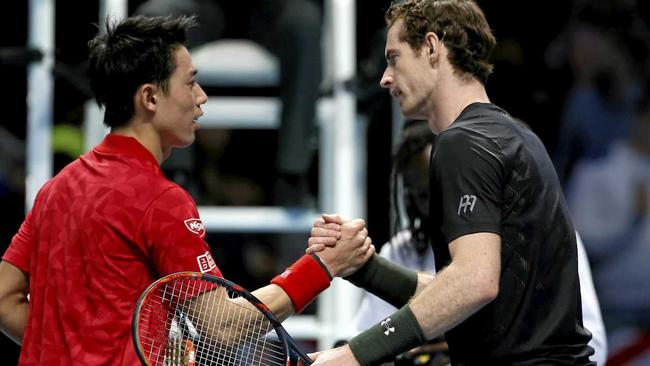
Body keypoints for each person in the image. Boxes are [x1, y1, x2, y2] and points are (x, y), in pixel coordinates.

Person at [0, 15, 373, 365]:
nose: (202, 96)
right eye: (191, 82)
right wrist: (323, 267)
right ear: (150, 98)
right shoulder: (161, 200)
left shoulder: (55, 189)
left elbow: (4, 301)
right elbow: (223, 327)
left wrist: (75, 350)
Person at [305, 0, 594, 364]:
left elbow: (473, 282)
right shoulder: (515, 135)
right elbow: (473, 295)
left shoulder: (463, 142)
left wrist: (354, 354)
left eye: (394, 58)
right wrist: (365, 268)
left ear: (431, 47)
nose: (385, 77)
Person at [350, 120, 607, 365]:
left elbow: (591, 344)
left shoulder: (548, 233)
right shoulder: (402, 250)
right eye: (423, 194)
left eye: (444, 188)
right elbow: (361, 335)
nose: (438, 202)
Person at [135, 0, 322, 206]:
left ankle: (291, 176)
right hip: (202, 7)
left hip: (273, 9)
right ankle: (174, 176)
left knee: (304, 20)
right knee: (156, 20)